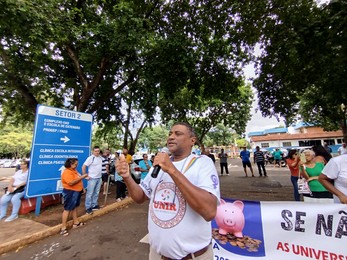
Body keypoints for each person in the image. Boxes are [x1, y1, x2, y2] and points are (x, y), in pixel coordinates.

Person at [116, 122, 220, 260]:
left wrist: (171, 169)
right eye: (170, 133)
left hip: (193, 257)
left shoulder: (202, 163)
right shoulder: (158, 166)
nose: (171, 137)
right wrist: (127, 177)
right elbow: (140, 196)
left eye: (178, 133)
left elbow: (209, 211)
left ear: (192, 140)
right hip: (157, 255)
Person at [60, 158, 88, 236]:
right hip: (70, 192)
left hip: (76, 191)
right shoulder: (66, 172)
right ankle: (63, 228)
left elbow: (78, 180)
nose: (76, 165)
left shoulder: (74, 171)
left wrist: (82, 189)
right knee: (67, 209)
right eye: (75, 164)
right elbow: (71, 183)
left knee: (74, 207)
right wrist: (82, 177)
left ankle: (76, 222)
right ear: (70, 164)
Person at [82, 146, 103, 215]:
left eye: (98, 151)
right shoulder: (91, 158)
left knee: (96, 192)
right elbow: (84, 166)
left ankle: (94, 205)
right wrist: (85, 175)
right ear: (93, 151)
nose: (97, 152)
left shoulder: (100, 158)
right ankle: (88, 207)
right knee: (89, 194)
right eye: (96, 151)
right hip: (92, 178)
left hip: (99, 178)